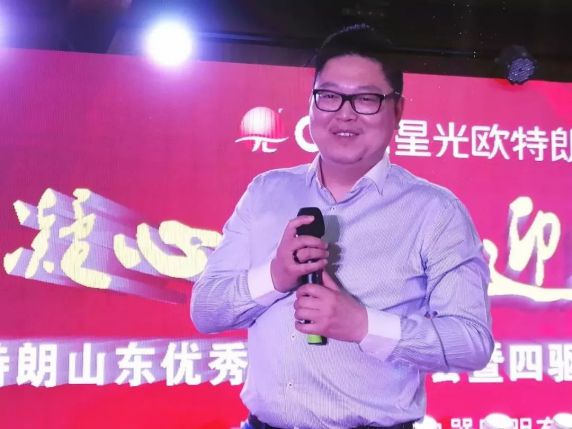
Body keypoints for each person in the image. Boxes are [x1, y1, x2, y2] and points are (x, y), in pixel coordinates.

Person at [191, 24, 493, 429]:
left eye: (366, 99)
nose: (344, 114)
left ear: (397, 110)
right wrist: (276, 277)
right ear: (312, 104)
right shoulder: (266, 192)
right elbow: (206, 311)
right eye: (329, 96)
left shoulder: (435, 212)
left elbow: (472, 342)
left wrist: (365, 325)